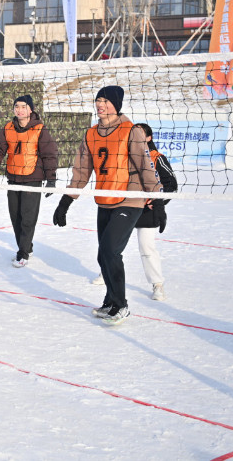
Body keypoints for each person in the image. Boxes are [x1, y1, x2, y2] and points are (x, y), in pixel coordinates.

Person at [52, 86, 162, 326]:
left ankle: (121, 305)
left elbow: (145, 166)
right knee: (103, 254)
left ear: (116, 105)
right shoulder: (91, 133)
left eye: (105, 101)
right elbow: (82, 170)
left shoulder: (131, 131)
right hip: (105, 198)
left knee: (111, 250)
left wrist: (158, 200)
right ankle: (110, 301)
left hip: (130, 198)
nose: (100, 105)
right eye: (98, 100)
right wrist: (66, 200)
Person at [91, 123, 177, 301]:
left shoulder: (157, 158)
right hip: (124, 206)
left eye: (140, 135)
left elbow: (171, 185)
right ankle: (105, 274)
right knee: (110, 245)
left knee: (147, 248)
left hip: (146, 211)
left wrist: (158, 202)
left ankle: (157, 284)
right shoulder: (123, 155)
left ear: (148, 138)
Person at [0, 95, 59, 267]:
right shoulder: (8, 128)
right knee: (15, 216)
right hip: (13, 177)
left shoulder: (40, 129)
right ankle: (27, 247)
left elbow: (50, 155)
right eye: (16, 106)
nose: (19, 110)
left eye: (23, 106)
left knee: (28, 218)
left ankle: (23, 253)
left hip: (33, 178)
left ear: (30, 110)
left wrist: (51, 179)